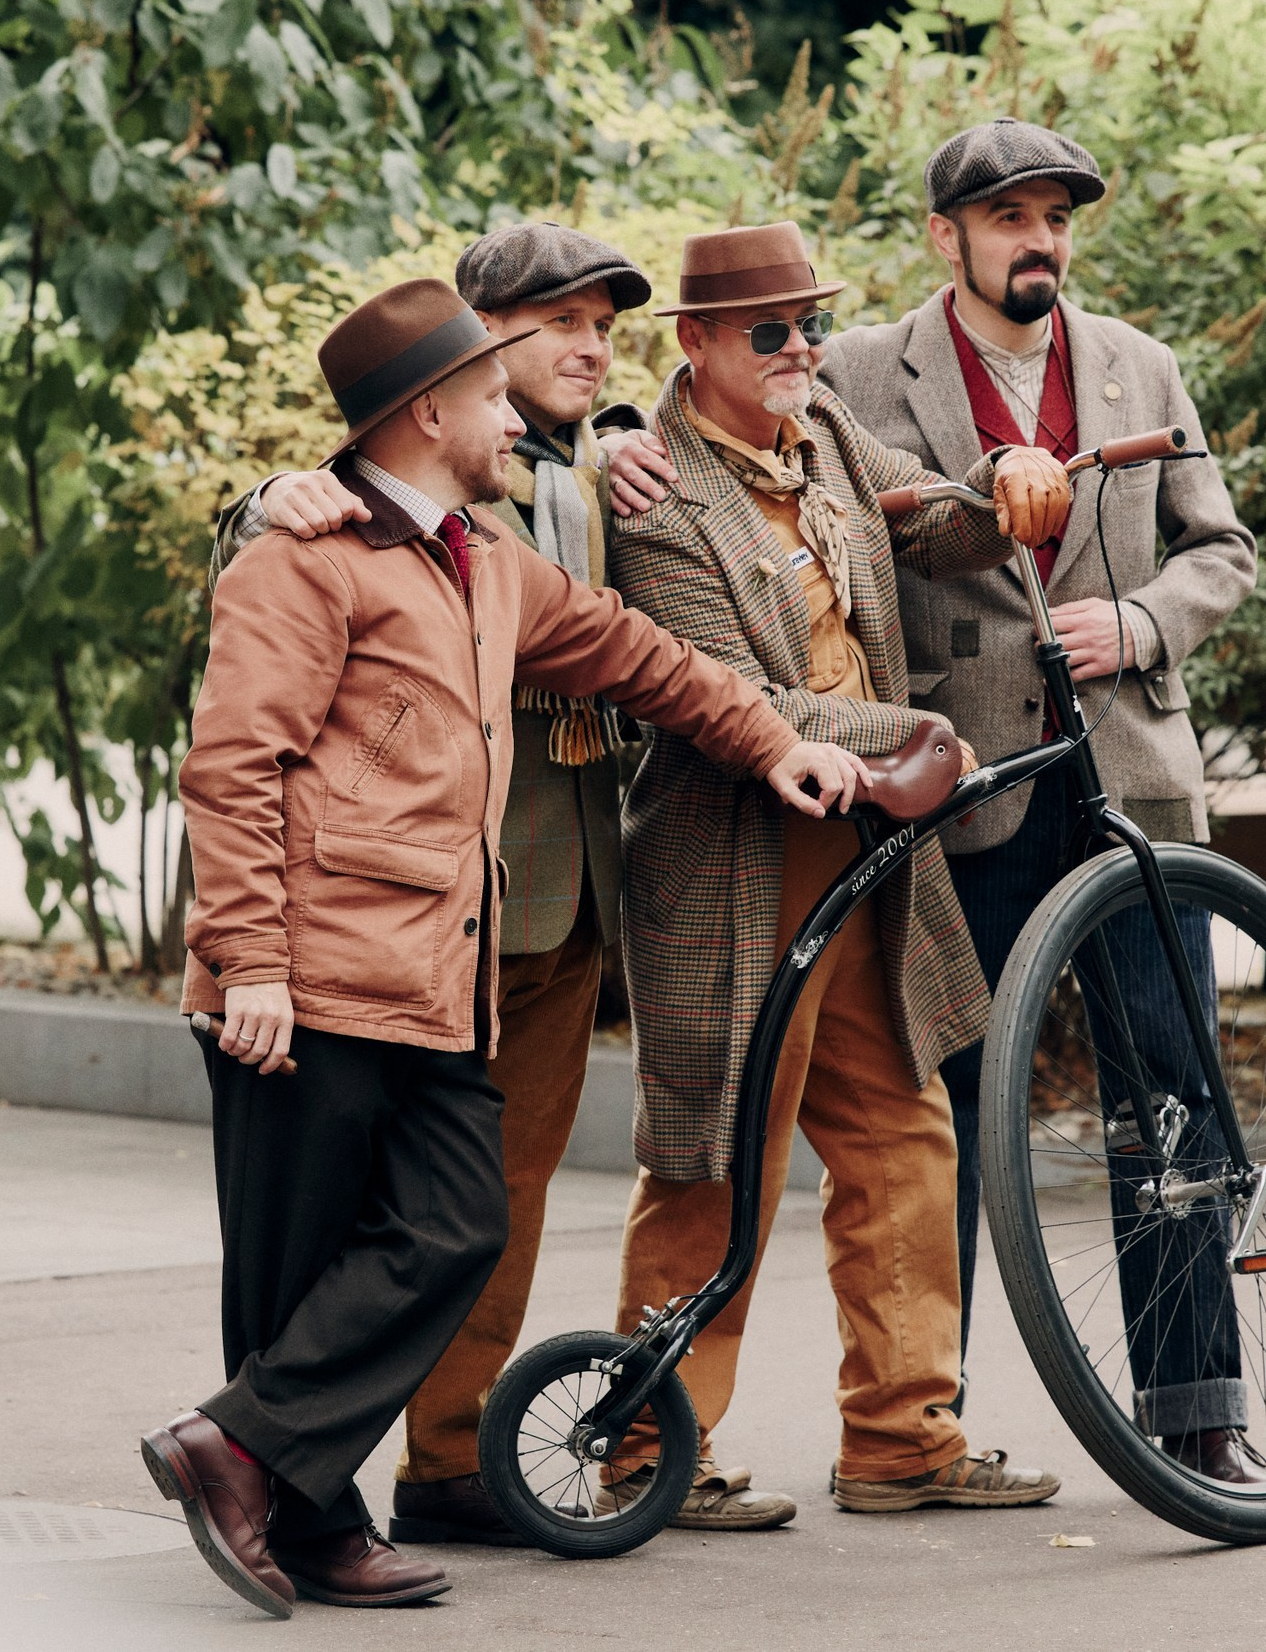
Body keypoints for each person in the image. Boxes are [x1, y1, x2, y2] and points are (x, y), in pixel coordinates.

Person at [141, 276, 869, 1616]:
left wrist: (778, 740)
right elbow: (232, 767)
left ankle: (238, 1453)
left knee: (455, 1223)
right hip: (300, 980)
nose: (513, 416)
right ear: (428, 412)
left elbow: (640, 656)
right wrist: (246, 962)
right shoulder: (304, 555)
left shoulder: (483, 559)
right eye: (490, 393)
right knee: (292, 1274)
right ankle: (305, 1514)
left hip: (427, 980)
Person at [224, 222, 767, 1538]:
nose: (592, 350)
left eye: (606, 331)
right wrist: (266, 496)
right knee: (361, 1220)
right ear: (479, 346)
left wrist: (787, 740)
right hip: (406, 917)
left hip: (562, 888)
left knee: (490, 1205)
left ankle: (438, 1466)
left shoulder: (587, 480)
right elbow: (265, 643)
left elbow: (635, 648)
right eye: (563, 327)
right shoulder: (373, 503)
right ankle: (287, 1478)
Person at [814, 118, 1264, 1479]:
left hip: (1130, 772)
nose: (1041, 240)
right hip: (969, 790)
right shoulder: (853, 373)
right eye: (1010, 218)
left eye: (1057, 216)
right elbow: (768, 473)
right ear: (944, 235)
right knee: (941, 1105)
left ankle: (1199, 1411)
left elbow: (1222, 546)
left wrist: (1136, 624)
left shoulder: (1140, 364)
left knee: (1171, 1098)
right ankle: (921, 1434)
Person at [603, 220, 1069, 1523]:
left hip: (872, 850)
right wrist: (913, 738)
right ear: (694, 345)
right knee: (716, 1153)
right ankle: (649, 1447)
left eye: (810, 324)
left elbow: (928, 524)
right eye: (770, 331)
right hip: (735, 859)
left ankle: (905, 1436)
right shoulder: (653, 498)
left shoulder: (826, 445)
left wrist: (1014, 486)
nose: (803, 348)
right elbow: (728, 698)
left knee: (906, 1129)